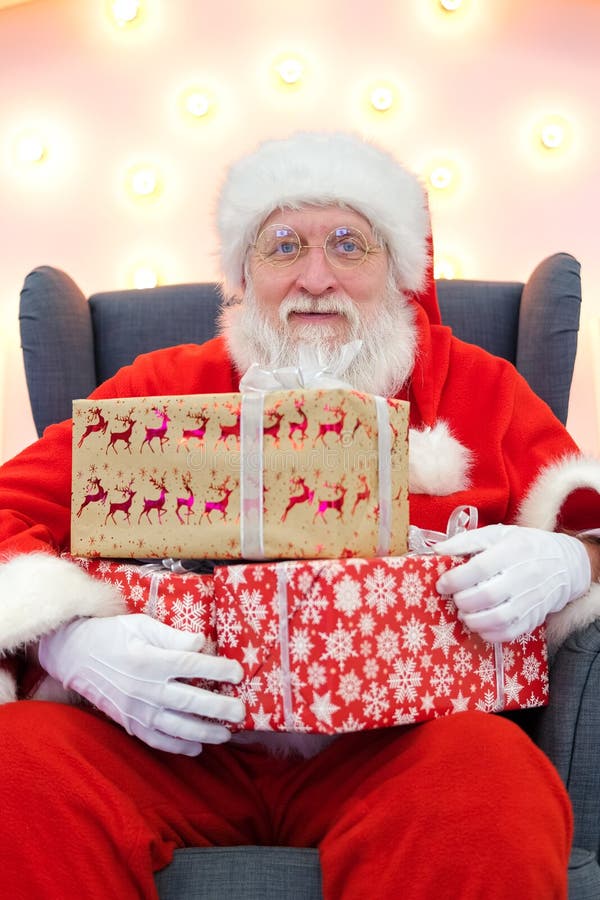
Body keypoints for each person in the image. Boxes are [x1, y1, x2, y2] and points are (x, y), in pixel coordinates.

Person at [0, 130, 599, 899]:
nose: (316, 279)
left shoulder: (480, 388)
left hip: (397, 751)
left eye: (349, 245)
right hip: (167, 746)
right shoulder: (159, 387)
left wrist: (575, 560)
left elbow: (588, 516)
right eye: (284, 247)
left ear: (398, 273)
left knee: (491, 783)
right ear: (244, 276)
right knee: (16, 767)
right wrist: (64, 639)